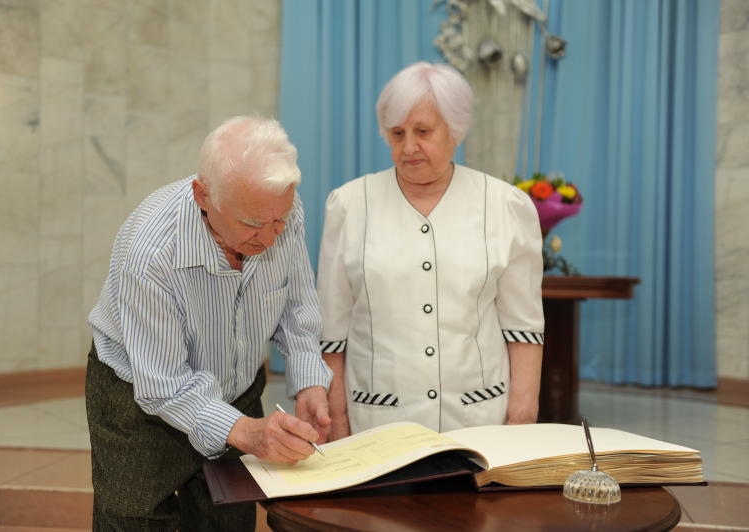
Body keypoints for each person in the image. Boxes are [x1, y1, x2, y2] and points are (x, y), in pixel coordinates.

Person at [86, 116, 332, 530]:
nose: (271, 237)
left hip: (236, 387)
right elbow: (163, 385)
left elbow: (296, 302)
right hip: (140, 399)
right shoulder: (150, 253)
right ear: (204, 195)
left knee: (229, 519)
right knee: (136, 519)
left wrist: (309, 380)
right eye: (254, 225)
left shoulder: (275, 204)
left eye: (280, 222)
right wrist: (245, 431)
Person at [317, 62, 544, 441]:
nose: (408, 147)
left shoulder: (505, 205)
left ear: (455, 129)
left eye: (423, 131)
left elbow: (523, 329)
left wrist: (521, 419)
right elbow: (331, 333)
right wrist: (337, 421)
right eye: (396, 133)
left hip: (480, 419)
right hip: (377, 422)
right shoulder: (349, 205)